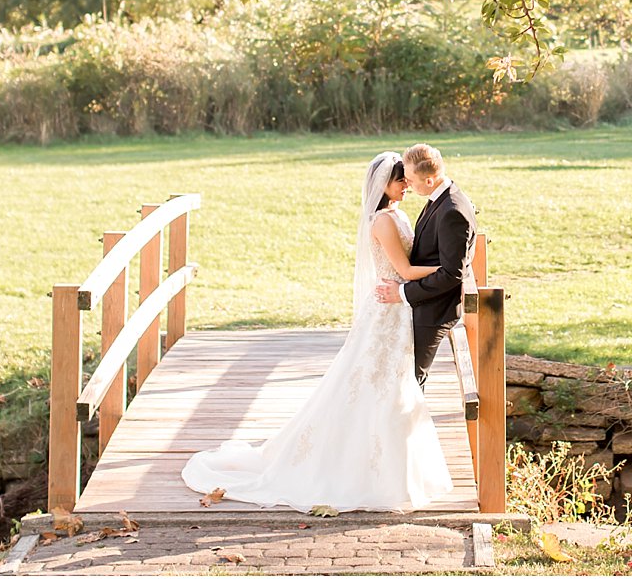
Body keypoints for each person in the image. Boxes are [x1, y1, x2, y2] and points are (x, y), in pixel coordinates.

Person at [179, 152, 454, 511]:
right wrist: (447, 270)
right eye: (400, 180)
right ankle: (359, 471)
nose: (406, 185)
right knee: (375, 388)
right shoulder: (383, 222)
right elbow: (402, 267)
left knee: (391, 390)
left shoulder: (398, 215)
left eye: (406, 179)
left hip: (398, 310)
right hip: (388, 309)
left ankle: (393, 471)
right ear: (384, 185)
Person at [375, 143, 478, 387]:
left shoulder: (452, 210)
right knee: (404, 377)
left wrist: (401, 293)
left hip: (433, 309)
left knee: (411, 380)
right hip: (423, 302)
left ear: (430, 180)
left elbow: (452, 273)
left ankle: (407, 425)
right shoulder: (441, 197)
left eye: (410, 179)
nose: (407, 184)